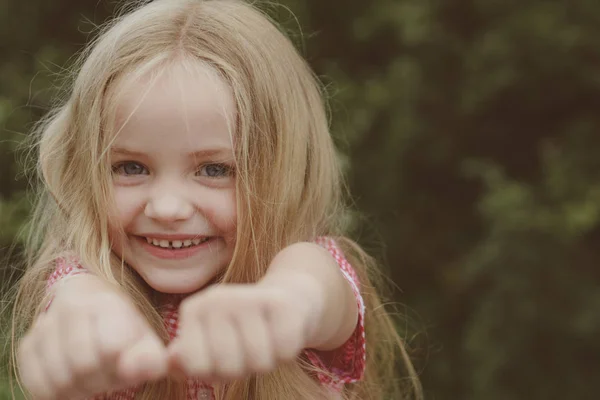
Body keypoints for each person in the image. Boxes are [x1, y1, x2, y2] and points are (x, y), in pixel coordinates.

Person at [11, 0, 423, 399]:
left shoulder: (309, 266)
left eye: (214, 170)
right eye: (130, 168)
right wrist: (85, 329)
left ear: (283, 173)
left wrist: (279, 309)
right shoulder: (84, 279)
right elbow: (78, 298)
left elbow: (312, 291)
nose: (167, 208)